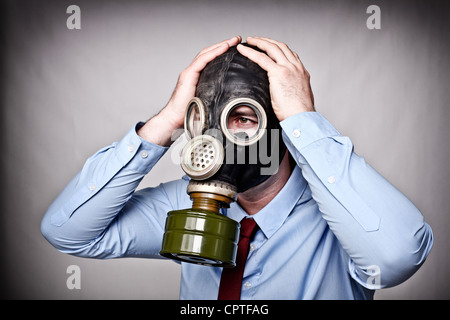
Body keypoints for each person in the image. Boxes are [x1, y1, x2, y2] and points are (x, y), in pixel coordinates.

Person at [41, 36, 433, 300]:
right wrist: (166, 122)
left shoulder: (340, 212)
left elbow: (397, 257)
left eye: (242, 118)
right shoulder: (187, 202)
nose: (215, 137)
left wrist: (304, 118)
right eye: (203, 118)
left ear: (281, 125)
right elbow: (67, 231)